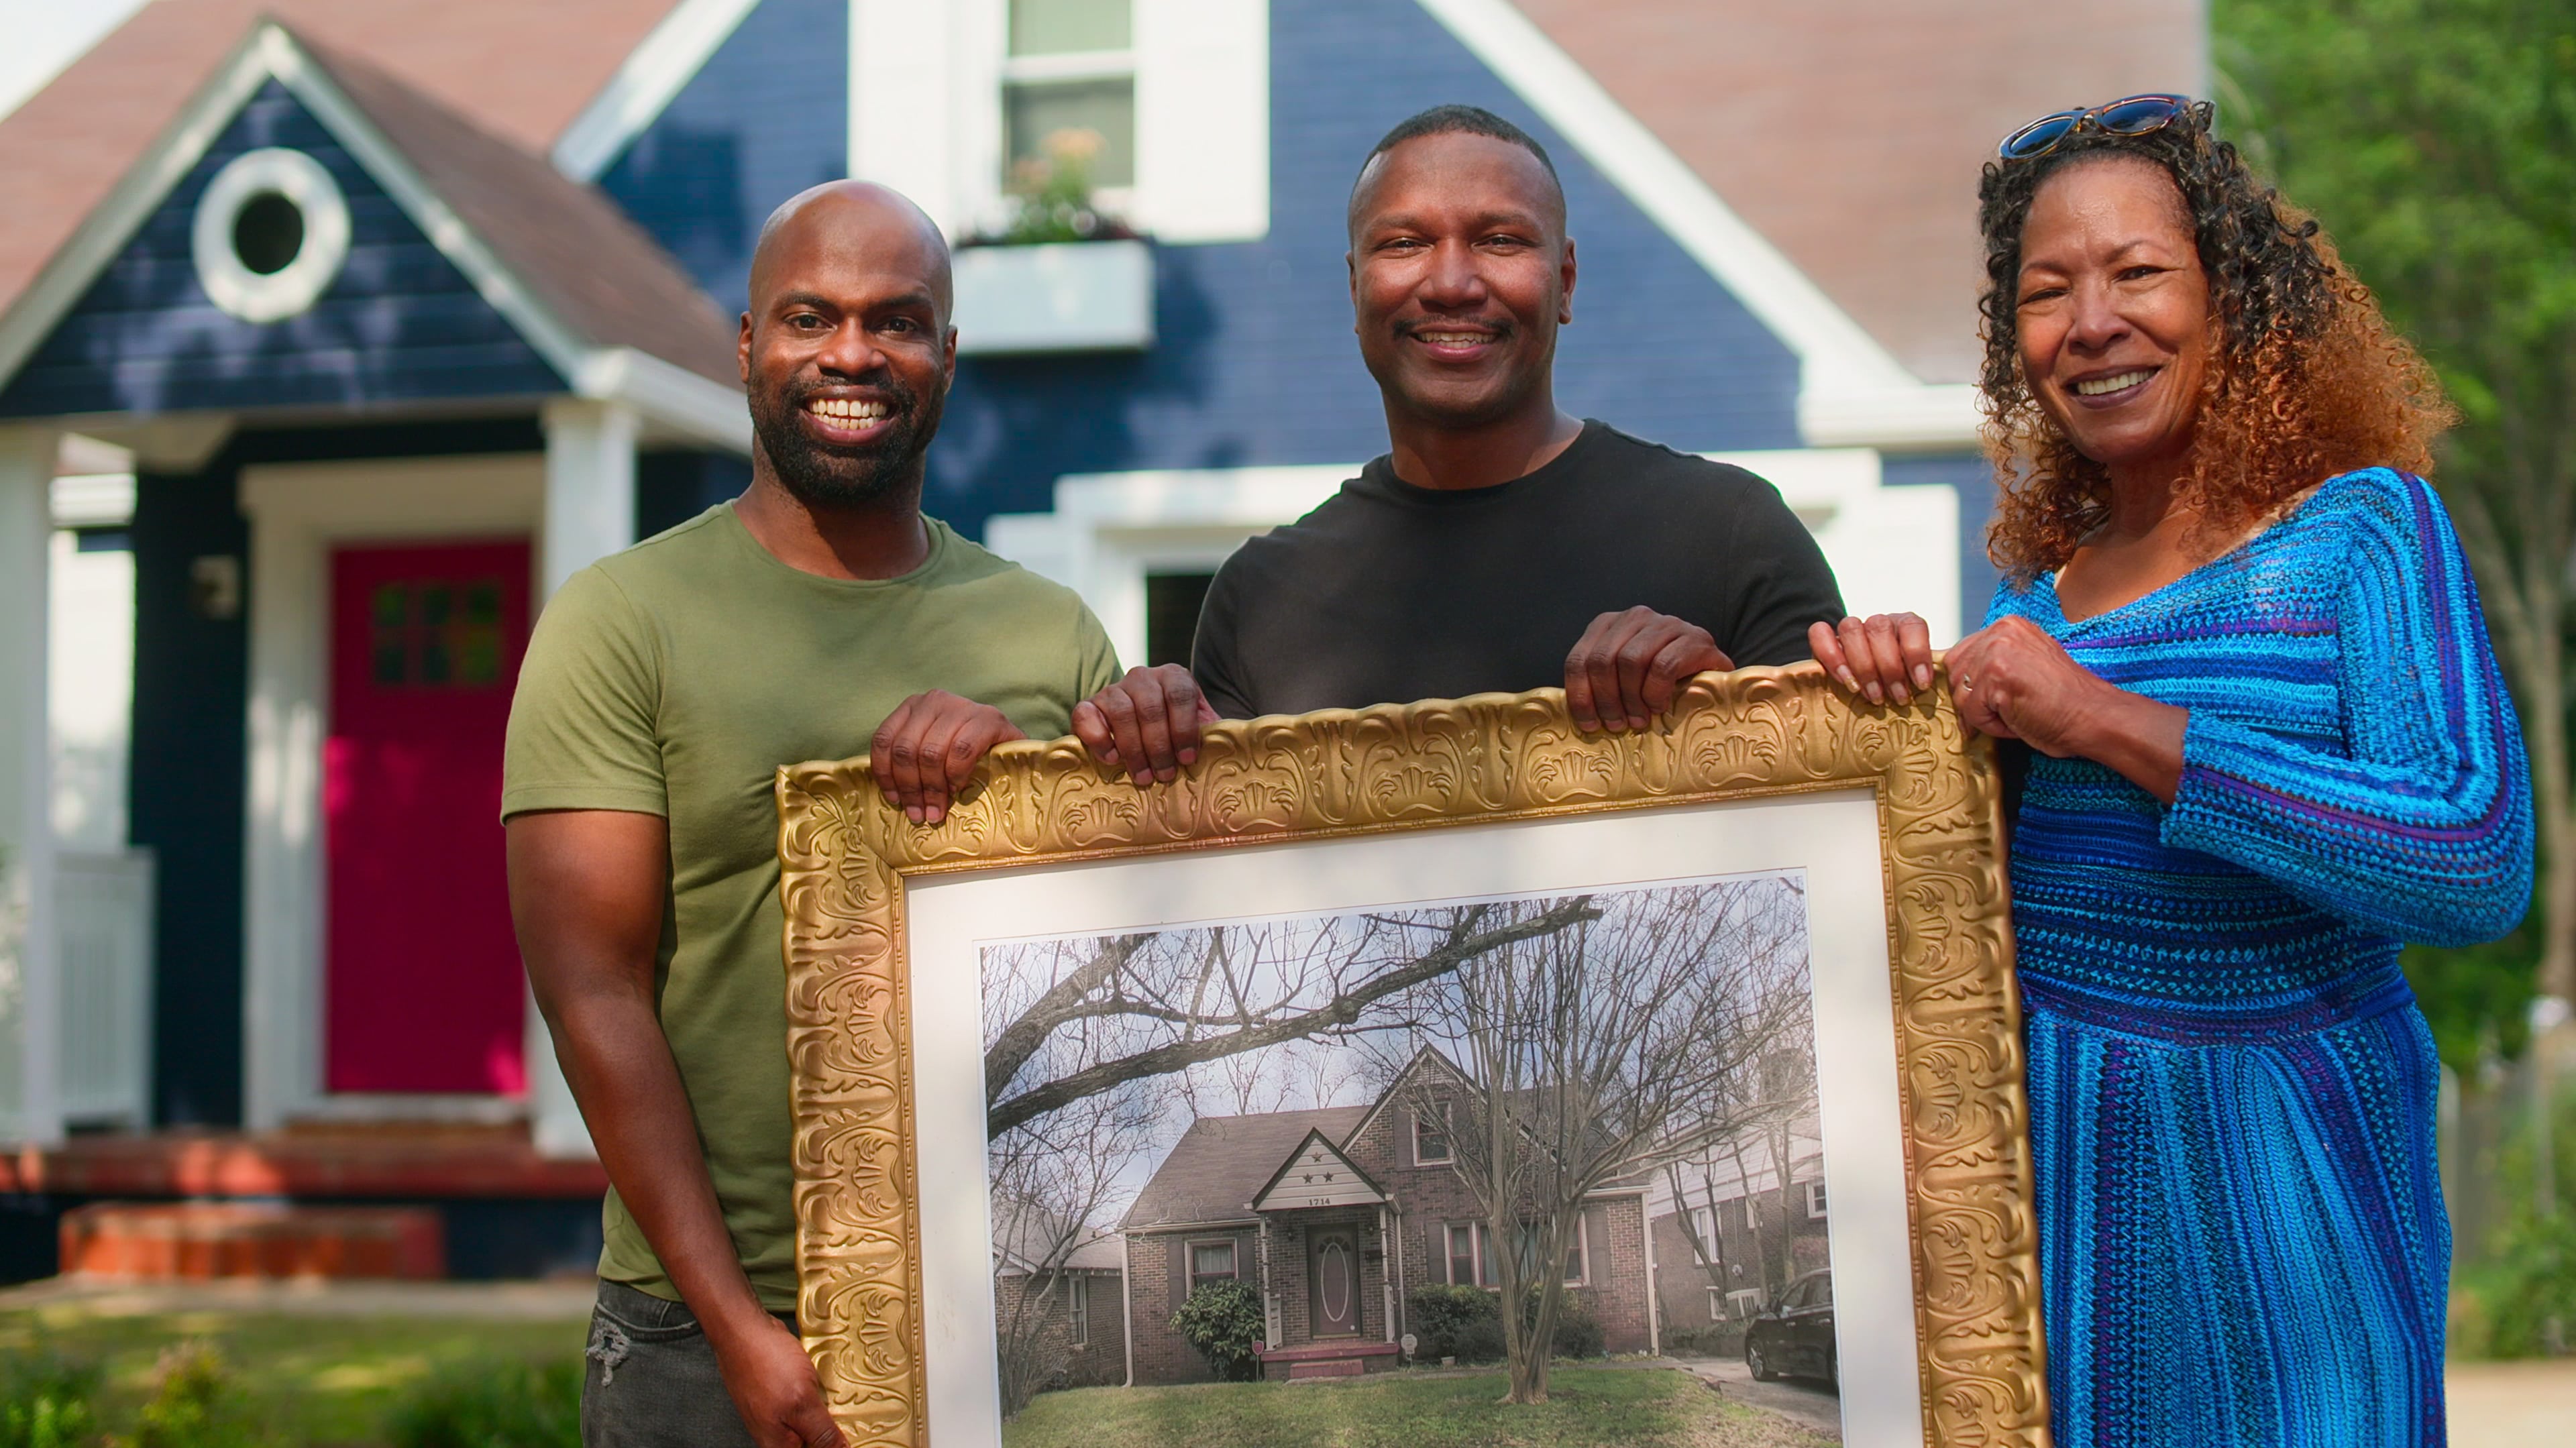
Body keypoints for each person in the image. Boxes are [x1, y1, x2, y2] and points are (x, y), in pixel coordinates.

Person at [1815, 97, 2532, 1446]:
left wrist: (2101, 718)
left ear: (2233, 296)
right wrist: (1875, 720)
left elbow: (2471, 852)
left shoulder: (2362, 530)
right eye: (2047, 291)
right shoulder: (2037, 597)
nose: (2092, 322)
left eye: (2138, 272)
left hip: (2304, 1184)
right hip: (2076, 1201)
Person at [502, 182, 1120, 1448]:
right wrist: (738, 1326)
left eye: (896, 321)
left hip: (987, 1300)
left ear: (946, 359)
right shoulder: (620, 620)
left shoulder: (1048, 630)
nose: (852, 353)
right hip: (702, 1329)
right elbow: (592, 990)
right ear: (746, 346)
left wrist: (1021, 779)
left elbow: (1123, 928)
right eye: (809, 317)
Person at [1068, 106, 1845, 781]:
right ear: (1354, 288)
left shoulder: (1733, 534)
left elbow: (1841, 833)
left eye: (1500, 240)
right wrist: (1142, 753)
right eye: (1404, 242)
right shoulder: (1259, 599)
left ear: (1565, 282)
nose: (1450, 282)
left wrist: (1724, 715)